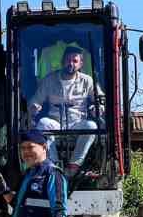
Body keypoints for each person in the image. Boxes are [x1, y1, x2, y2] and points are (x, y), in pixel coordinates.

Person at [28, 45, 104, 176]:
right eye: (68, 60)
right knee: (43, 123)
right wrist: (34, 107)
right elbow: (34, 101)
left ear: (81, 64)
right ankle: (54, 165)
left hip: (78, 124)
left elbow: (101, 100)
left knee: (91, 125)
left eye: (75, 61)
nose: (71, 63)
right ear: (63, 61)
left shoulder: (87, 81)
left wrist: (97, 108)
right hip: (55, 123)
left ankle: (74, 165)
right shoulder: (49, 79)